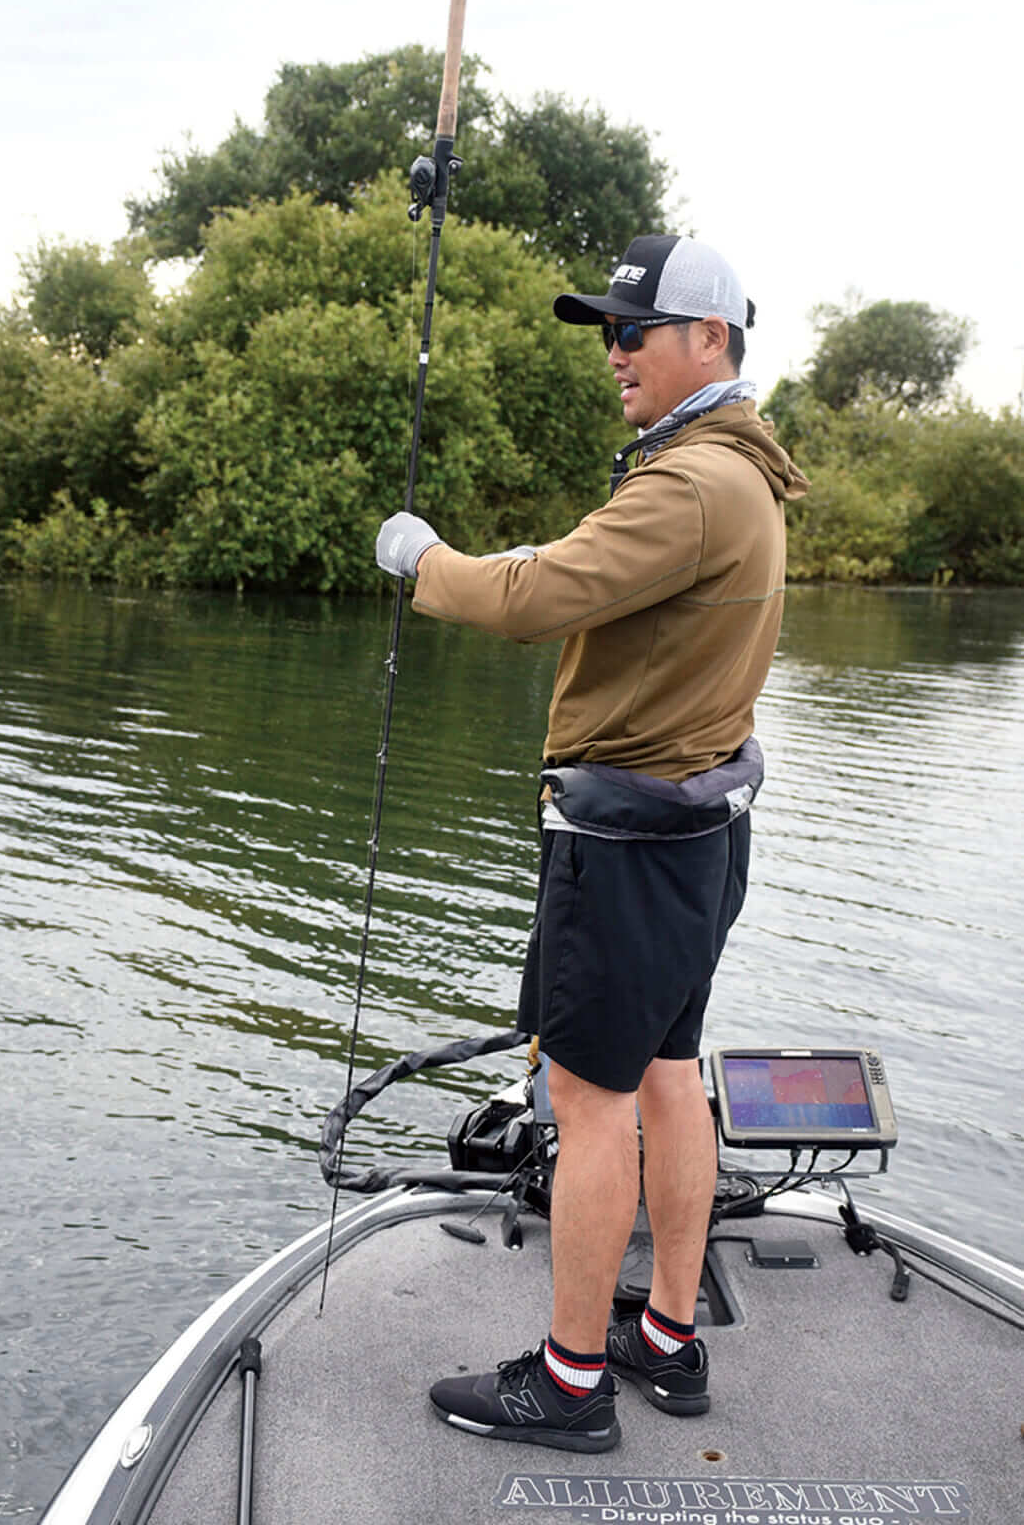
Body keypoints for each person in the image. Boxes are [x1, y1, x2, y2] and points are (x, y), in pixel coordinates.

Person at [375, 233, 810, 1453]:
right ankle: (666, 1340)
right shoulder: (739, 471)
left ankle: (569, 1385)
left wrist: (422, 559)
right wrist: (533, 563)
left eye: (634, 329)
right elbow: (589, 578)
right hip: (700, 832)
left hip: (626, 848)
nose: (612, 351)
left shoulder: (687, 484)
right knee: (671, 1077)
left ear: (707, 339)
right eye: (606, 329)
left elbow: (530, 601)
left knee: (590, 1098)